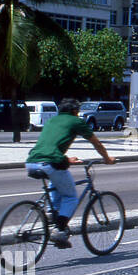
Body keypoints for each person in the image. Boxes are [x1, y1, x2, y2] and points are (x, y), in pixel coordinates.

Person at [24, 97, 117, 247]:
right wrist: (107, 158)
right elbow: (96, 143)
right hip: (51, 162)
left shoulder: (52, 121)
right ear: (75, 111)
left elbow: (50, 145)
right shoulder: (76, 121)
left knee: (58, 180)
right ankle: (59, 230)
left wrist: (67, 159)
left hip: (31, 162)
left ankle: (50, 213)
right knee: (70, 196)